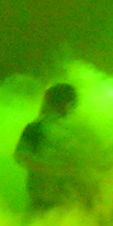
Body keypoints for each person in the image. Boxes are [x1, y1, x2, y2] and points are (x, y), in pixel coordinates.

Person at [13, 83, 97, 213]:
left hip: (74, 199)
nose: (74, 105)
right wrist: (54, 168)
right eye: (71, 101)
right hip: (44, 199)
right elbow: (21, 157)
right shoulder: (35, 128)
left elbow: (96, 159)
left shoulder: (80, 129)